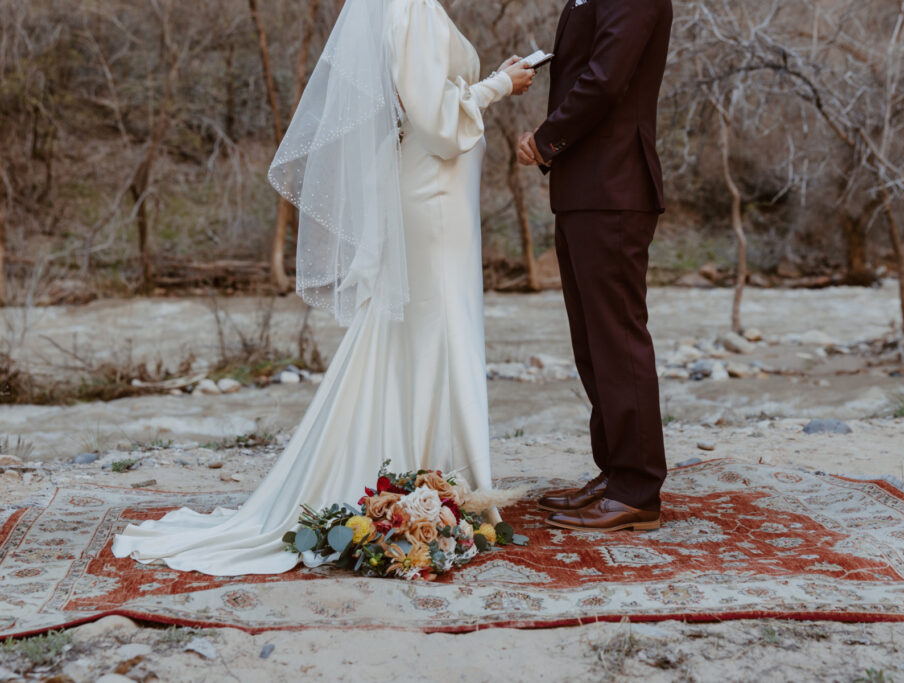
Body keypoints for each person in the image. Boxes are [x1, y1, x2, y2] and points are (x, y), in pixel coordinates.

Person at [112, 0, 534, 576]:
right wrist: (497, 86)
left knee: (434, 331)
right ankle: (445, 480)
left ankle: (437, 473)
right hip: (434, 194)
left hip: (442, 192)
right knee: (441, 329)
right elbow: (436, 125)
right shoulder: (409, 8)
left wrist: (484, 79)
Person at [517, 0, 673, 532]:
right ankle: (614, 473)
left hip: (615, 186)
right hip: (585, 188)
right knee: (592, 342)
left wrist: (545, 140)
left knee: (618, 338)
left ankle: (637, 489)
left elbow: (606, 82)